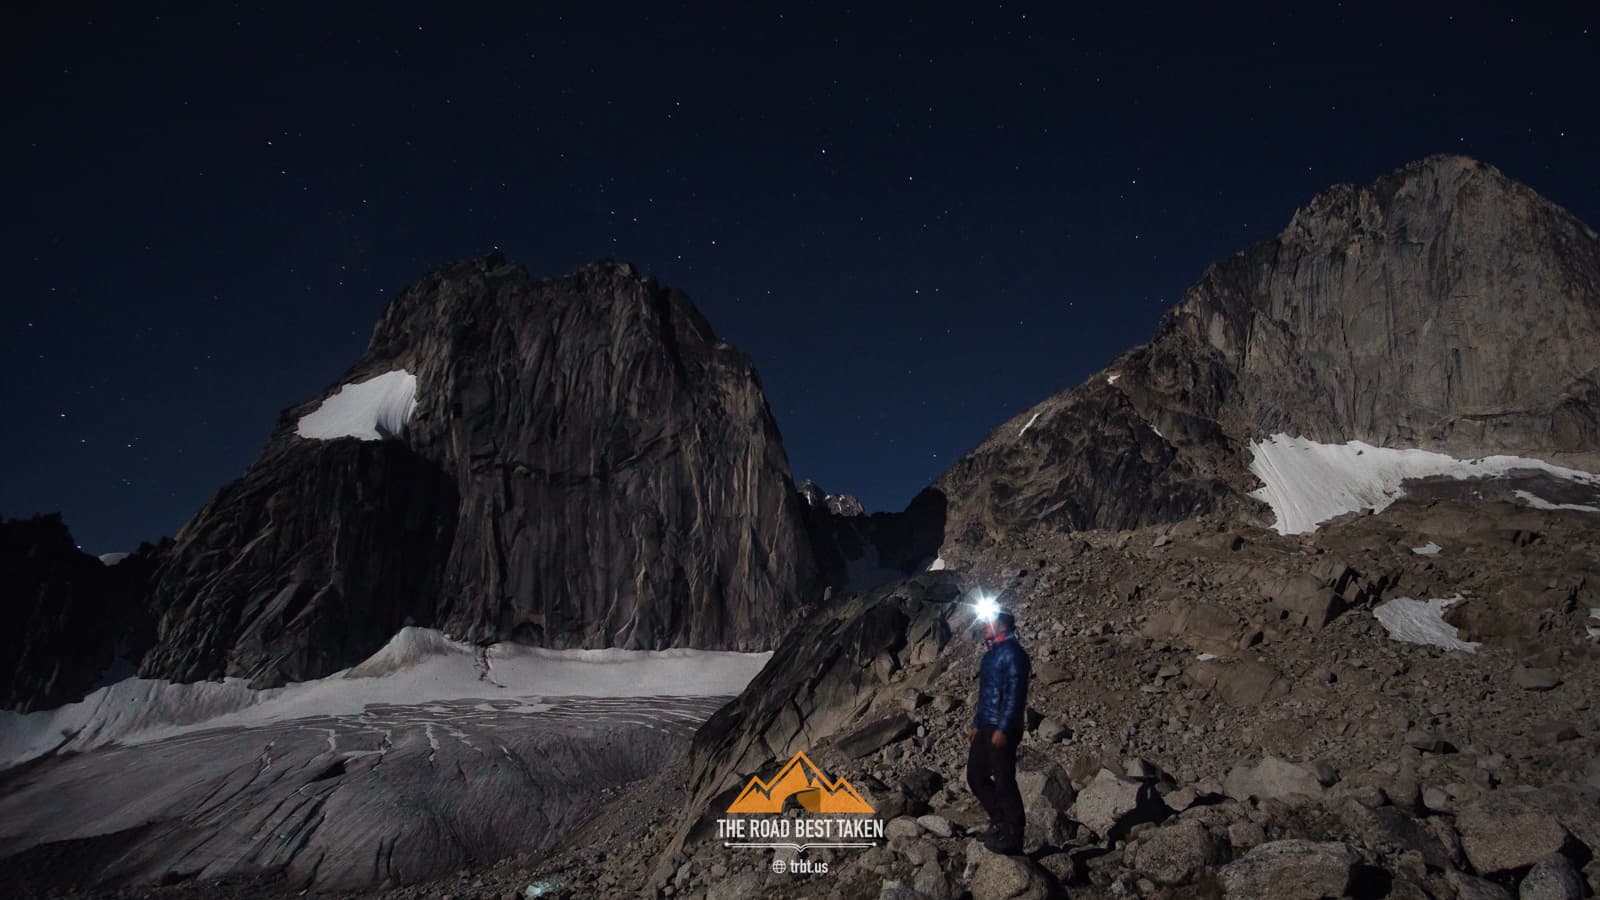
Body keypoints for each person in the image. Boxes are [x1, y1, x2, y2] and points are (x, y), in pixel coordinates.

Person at [966, 608, 1031, 853]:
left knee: (1004, 780)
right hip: (985, 726)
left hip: (1004, 727)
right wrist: (976, 724)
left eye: (988, 622)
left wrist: (1004, 728)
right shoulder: (990, 656)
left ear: (1003, 625)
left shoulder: (1014, 654)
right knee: (975, 776)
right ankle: (999, 821)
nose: (983, 625)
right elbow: (985, 696)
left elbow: (1016, 694)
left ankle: (1014, 834)